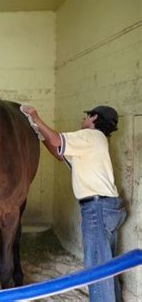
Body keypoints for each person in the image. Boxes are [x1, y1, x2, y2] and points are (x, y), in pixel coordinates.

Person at [21, 104, 126, 302]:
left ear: (94, 118)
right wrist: (40, 133)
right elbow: (59, 153)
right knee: (107, 264)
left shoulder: (90, 136)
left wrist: (36, 117)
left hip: (97, 209)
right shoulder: (94, 142)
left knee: (96, 268)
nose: (83, 119)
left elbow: (57, 139)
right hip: (108, 207)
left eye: (87, 116)